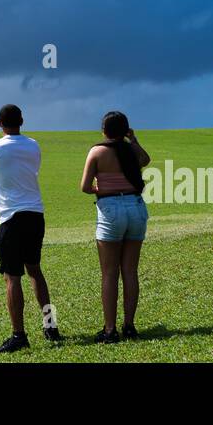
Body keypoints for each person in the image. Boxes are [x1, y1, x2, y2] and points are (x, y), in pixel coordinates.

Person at [0, 104, 60, 352]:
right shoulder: (33, 145)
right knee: (35, 270)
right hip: (35, 215)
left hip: (11, 218)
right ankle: (51, 326)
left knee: (12, 277)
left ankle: (18, 335)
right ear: (22, 121)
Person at [80, 110, 151, 343]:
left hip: (110, 209)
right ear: (126, 130)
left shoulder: (97, 151)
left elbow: (85, 186)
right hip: (135, 206)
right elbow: (145, 160)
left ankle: (110, 330)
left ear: (103, 130)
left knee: (110, 273)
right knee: (130, 271)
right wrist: (134, 139)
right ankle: (129, 326)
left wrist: (100, 189)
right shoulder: (131, 150)